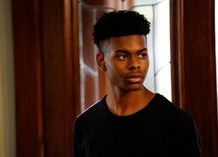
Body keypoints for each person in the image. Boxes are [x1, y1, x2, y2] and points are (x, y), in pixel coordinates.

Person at [73, 10, 201, 157]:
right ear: (101, 62)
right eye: (122, 56)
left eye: (142, 55)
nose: (135, 64)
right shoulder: (85, 125)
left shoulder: (178, 123)